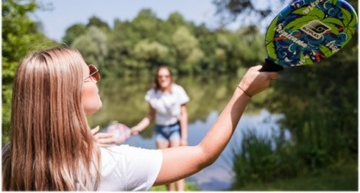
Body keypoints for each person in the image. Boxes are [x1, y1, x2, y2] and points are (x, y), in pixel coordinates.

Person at [2, 46, 278, 191]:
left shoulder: (8, 159)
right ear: (69, 93)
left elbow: (182, 114)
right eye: (89, 72)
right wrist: (244, 91)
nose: (97, 77)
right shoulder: (109, 166)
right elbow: (202, 154)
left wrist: (77, 143)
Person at [131, 66, 190, 191]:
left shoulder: (178, 91)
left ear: (170, 77)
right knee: (165, 165)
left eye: (166, 76)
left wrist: (184, 137)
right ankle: (170, 191)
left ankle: (181, 191)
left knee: (178, 164)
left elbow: (183, 115)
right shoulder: (153, 94)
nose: (163, 78)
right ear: (157, 78)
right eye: (160, 76)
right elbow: (151, 115)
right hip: (160, 131)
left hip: (175, 128)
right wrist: (138, 127)